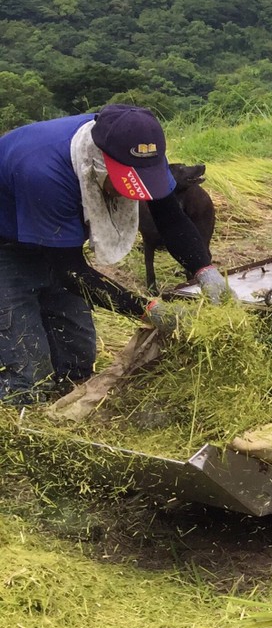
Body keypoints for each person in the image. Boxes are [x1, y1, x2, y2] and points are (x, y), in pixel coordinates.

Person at [0, 104, 230, 403]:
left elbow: (170, 218)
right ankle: (21, 418)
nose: (132, 194)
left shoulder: (137, 148)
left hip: (55, 237)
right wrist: (149, 310)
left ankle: (63, 407)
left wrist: (205, 271)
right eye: (125, 183)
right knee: (29, 370)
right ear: (98, 164)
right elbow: (70, 272)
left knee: (77, 355)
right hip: (6, 242)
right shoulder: (45, 171)